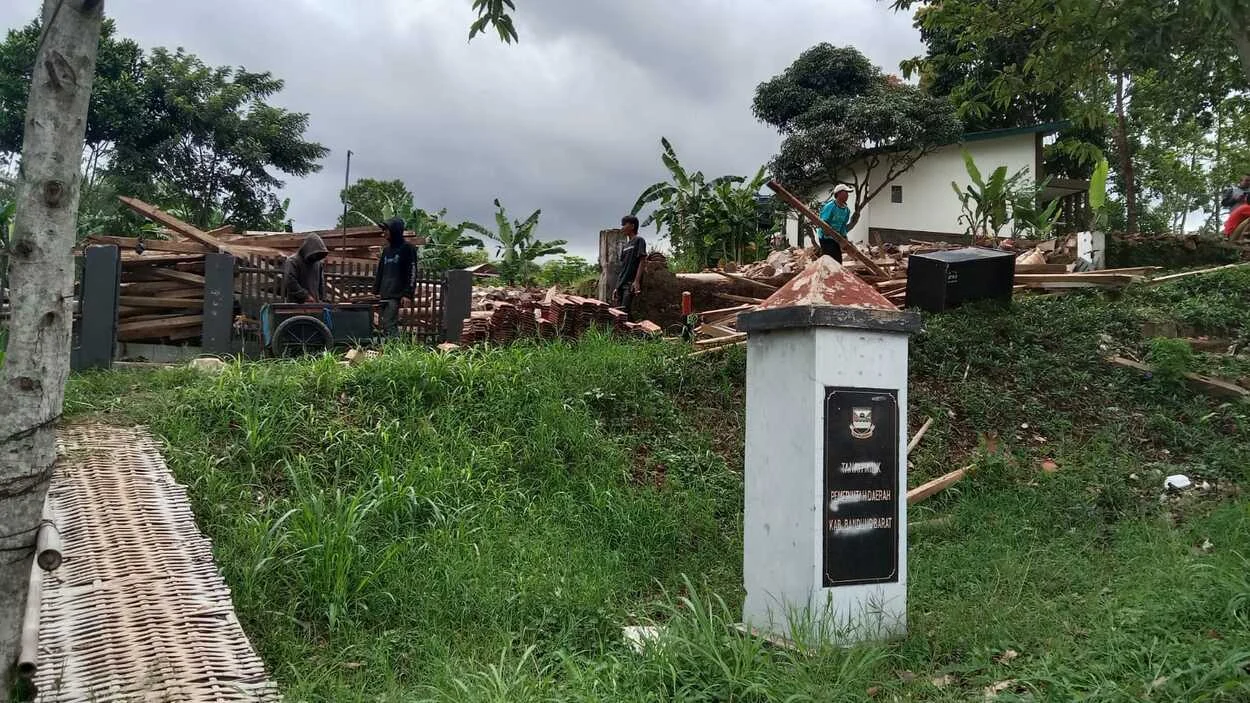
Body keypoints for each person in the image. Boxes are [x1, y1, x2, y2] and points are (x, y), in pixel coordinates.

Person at [373, 217, 418, 337]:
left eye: (386, 230)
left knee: (389, 323)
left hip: (396, 295)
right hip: (385, 293)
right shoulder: (386, 251)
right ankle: (389, 349)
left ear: (395, 230)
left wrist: (408, 293)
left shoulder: (407, 249)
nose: (384, 233)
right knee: (383, 323)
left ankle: (395, 349)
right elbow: (381, 271)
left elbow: (412, 272)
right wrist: (376, 290)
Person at [612, 215, 646, 319]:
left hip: (630, 283)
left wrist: (636, 281)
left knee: (624, 311)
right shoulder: (625, 246)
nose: (622, 227)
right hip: (622, 283)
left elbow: (642, 260)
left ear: (632, 226)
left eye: (624, 225)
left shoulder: (639, 240)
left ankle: (628, 333)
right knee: (619, 312)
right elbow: (623, 268)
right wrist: (617, 287)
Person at [282, 233, 328, 303]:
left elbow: (321, 283)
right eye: (315, 253)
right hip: (296, 305)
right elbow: (290, 280)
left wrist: (322, 298)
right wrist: (305, 296)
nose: (315, 256)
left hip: (314, 305)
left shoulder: (317, 263)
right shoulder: (293, 261)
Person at [817, 184, 853, 263]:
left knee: (838, 260)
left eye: (848, 193)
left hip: (836, 237)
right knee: (831, 259)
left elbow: (843, 226)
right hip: (825, 237)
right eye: (845, 192)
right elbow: (823, 222)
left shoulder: (846, 210)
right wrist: (827, 232)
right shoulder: (830, 206)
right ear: (839, 193)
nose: (847, 195)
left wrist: (844, 238)